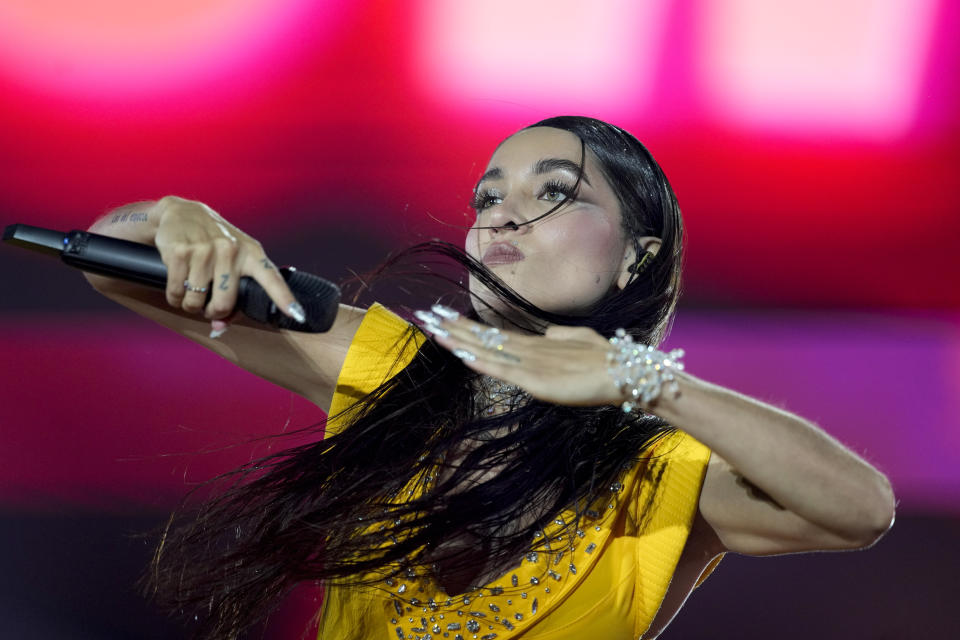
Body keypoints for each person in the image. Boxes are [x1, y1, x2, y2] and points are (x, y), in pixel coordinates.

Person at [84, 116, 896, 640]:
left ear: (636, 258)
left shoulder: (659, 476)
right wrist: (172, 215)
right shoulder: (393, 373)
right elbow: (112, 267)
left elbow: (859, 511)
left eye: (553, 193)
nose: (501, 213)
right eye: (487, 195)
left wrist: (642, 379)